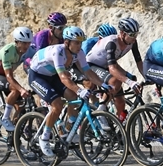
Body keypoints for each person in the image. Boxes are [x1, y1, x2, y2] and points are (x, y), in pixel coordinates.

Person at [26, 26, 108, 157]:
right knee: (57, 104)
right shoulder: (58, 51)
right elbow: (63, 77)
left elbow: (88, 72)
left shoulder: (79, 53)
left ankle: (67, 130)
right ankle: (44, 137)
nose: (79, 45)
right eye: (76, 42)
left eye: (81, 42)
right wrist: (79, 89)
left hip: (52, 76)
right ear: (66, 42)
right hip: (37, 76)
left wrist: (104, 84)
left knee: (73, 98)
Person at [85, 17, 145, 121]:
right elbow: (112, 68)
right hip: (91, 65)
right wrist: (129, 82)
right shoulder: (112, 43)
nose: (134, 38)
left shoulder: (132, 43)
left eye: (136, 34)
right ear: (122, 33)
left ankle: (119, 128)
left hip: (105, 66)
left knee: (121, 100)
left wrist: (146, 76)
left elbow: (139, 62)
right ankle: (101, 113)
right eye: (131, 35)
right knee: (115, 81)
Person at [0, 27, 35, 131]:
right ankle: (5, 118)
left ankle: (14, 133)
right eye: (23, 43)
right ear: (17, 42)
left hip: (5, 76)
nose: (26, 46)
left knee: (21, 105)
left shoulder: (30, 51)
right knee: (16, 89)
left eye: (28, 43)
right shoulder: (8, 51)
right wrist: (21, 89)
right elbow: (9, 77)